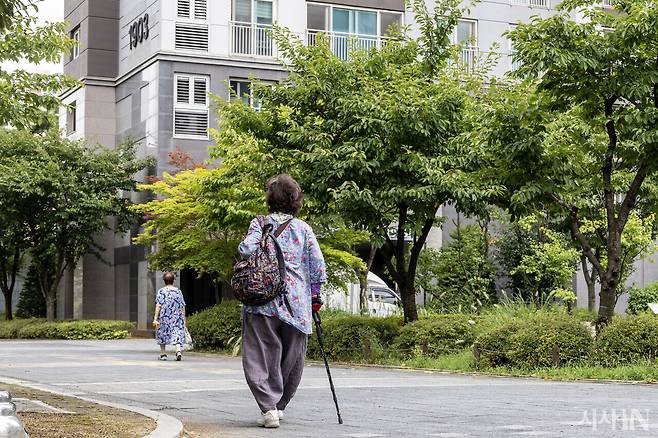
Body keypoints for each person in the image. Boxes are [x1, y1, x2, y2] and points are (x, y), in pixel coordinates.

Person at [238, 174, 327, 429]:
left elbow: (246, 250)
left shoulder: (259, 223)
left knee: (259, 354)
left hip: (261, 298)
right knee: (293, 357)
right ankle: (279, 405)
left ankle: (268, 408)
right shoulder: (303, 229)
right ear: (295, 199)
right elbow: (317, 266)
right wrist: (315, 296)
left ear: (270, 198)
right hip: (296, 302)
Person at [152, 272, 187, 361]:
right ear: (173, 280)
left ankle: (163, 354)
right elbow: (182, 305)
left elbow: (158, 305)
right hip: (177, 317)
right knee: (177, 332)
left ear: (164, 281)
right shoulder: (178, 291)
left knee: (162, 333)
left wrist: (155, 319)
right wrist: (184, 318)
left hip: (165, 317)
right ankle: (178, 351)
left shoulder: (161, 291)